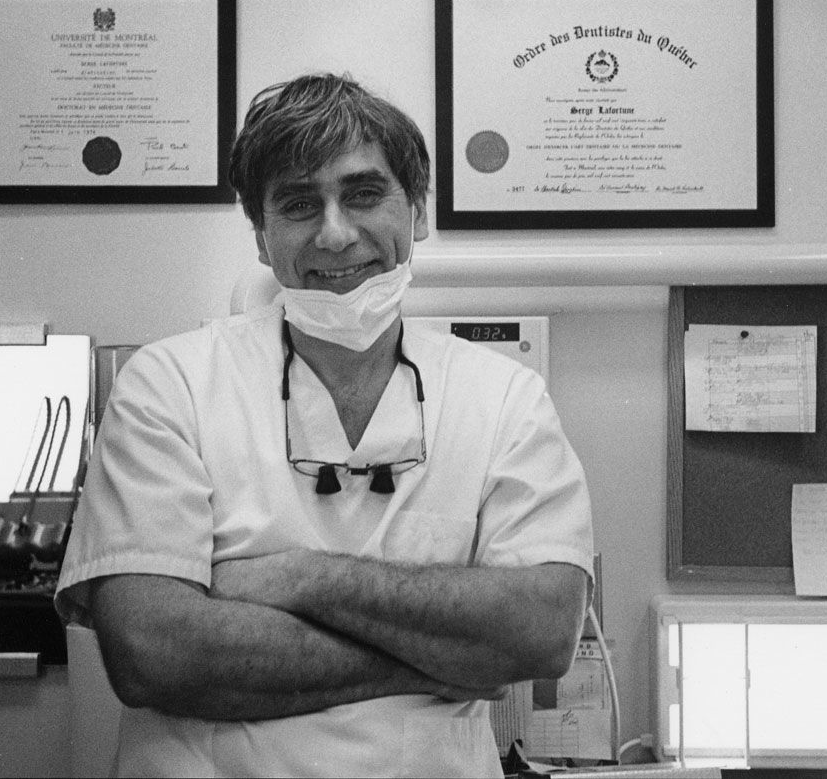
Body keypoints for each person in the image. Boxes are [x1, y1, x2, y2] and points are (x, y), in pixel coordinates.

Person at [55, 72, 594, 778]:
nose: (336, 234)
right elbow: (153, 655)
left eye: (363, 195)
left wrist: (298, 577)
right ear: (261, 235)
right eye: (299, 204)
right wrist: (437, 656)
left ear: (418, 211)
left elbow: (541, 632)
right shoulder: (169, 385)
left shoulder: (504, 399)